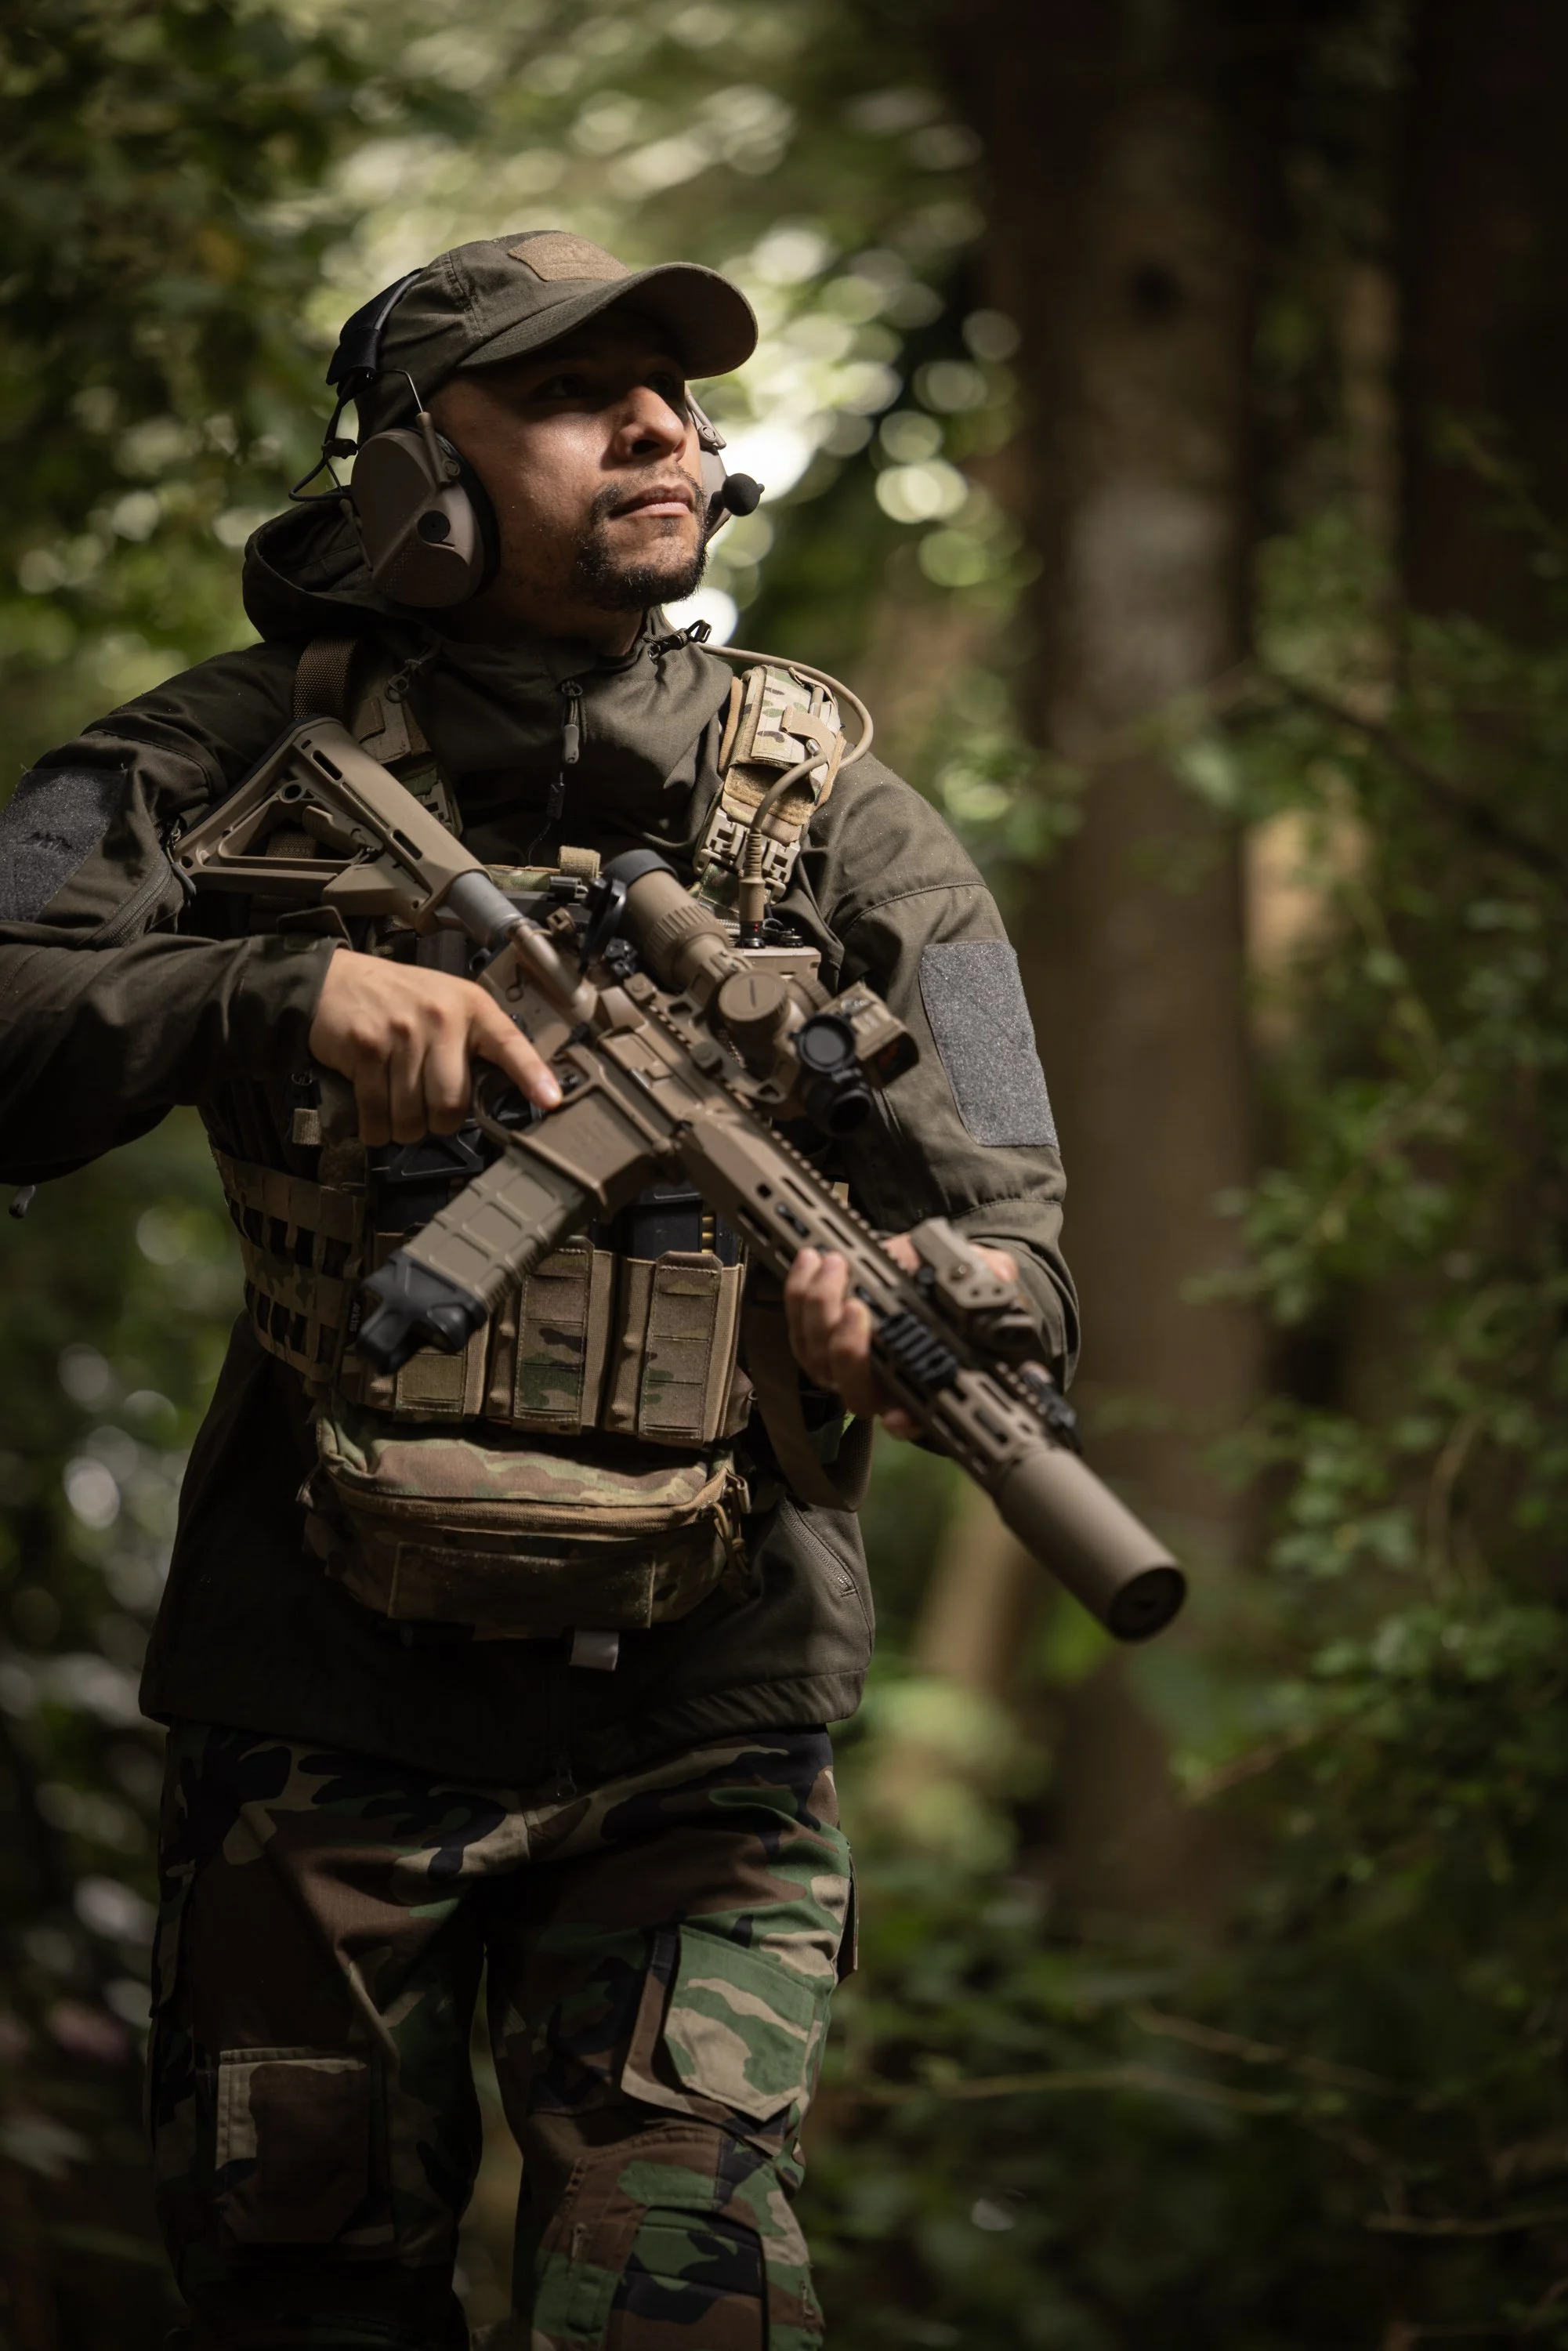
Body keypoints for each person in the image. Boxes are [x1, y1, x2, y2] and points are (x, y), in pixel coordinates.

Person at [0, 230, 1076, 2349]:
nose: (660, 424)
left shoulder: (855, 818)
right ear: (414, 467)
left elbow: (1015, 1189)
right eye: (582, 390)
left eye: (674, 389)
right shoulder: (212, 753)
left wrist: (955, 1292)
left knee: (678, 2309)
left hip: (711, 1702)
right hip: (318, 1688)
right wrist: (277, 987)